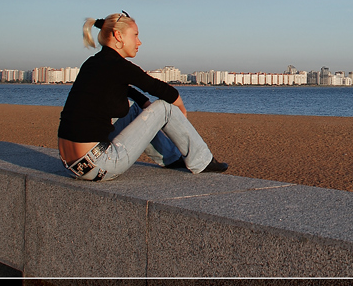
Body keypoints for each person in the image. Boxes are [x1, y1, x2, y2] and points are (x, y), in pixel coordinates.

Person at [57, 11, 228, 181]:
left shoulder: (93, 63)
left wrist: (145, 105)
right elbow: (158, 88)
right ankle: (202, 161)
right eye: (135, 35)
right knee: (165, 107)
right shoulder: (120, 65)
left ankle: (171, 158)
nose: (139, 42)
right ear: (118, 36)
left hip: (71, 165)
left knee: (132, 109)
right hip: (99, 164)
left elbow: (126, 90)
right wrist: (180, 109)